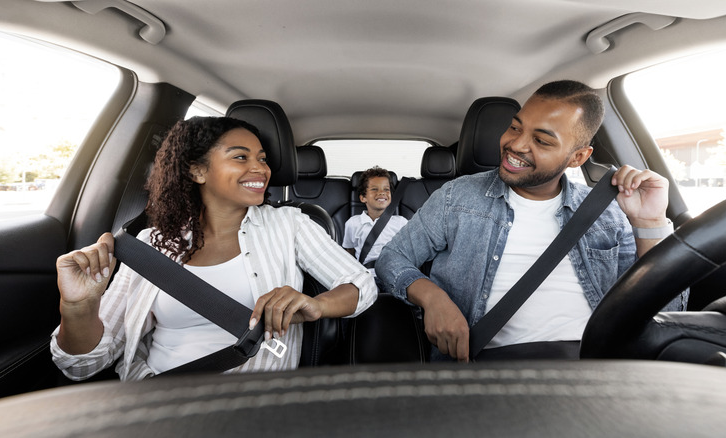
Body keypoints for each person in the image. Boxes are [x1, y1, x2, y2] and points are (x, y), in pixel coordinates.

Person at [376, 80, 687, 362]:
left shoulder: (609, 213)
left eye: (541, 141)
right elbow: (392, 257)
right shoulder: (457, 197)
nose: (516, 145)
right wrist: (433, 298)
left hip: (595, 365)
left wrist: (650, 222)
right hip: (485, 366)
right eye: (515, 127)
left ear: (578, 157)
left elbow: (664, 315)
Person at [51, 116, 377, 381]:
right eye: (241, 157)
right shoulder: (149, 244)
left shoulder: (289, 224)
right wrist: (77, 306)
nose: (261, 169)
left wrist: (317, 304)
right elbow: (82, 366)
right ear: (197, 170)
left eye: (263, 159)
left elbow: (362, 284)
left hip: (252, 406)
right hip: (157, 399)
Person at [342, 166, 408, 273]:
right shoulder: (353, 223)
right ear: (363, 198)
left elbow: (410, 251)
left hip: (396, 271)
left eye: (386, 189)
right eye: (374, 189)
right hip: (367, 273)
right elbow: (350, 252)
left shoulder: (401, 222)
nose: (382, 192)